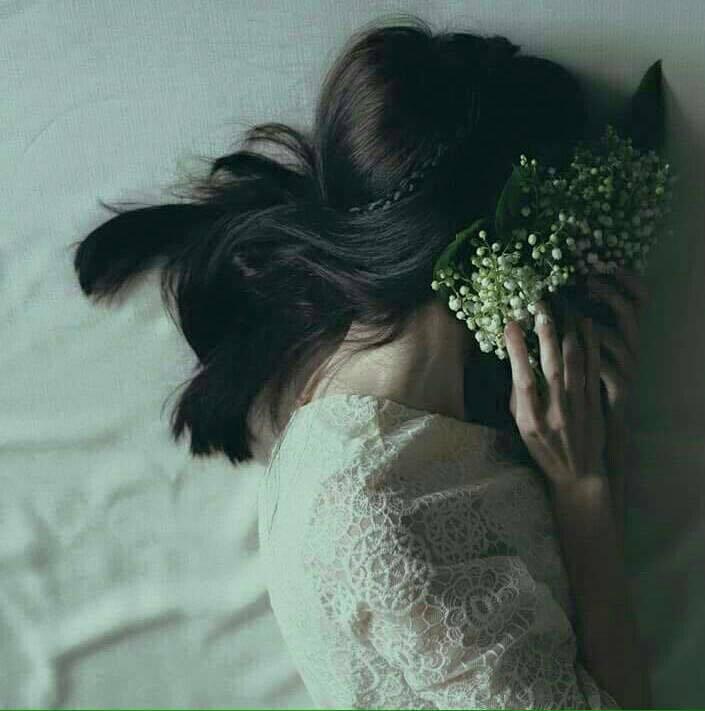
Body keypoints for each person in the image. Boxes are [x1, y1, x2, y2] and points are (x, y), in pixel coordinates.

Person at [71, 14, 653, 708]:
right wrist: (584, 490)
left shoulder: (356, 398)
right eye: (563, 235)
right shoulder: (389, 512)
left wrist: (594, 453)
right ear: (493, 250)